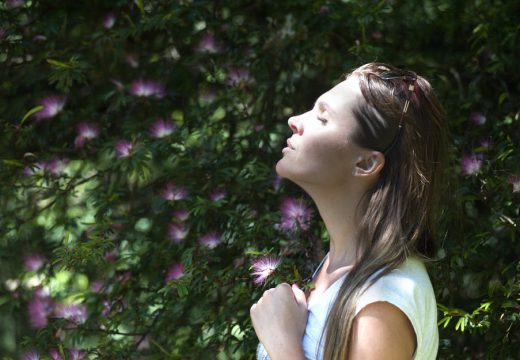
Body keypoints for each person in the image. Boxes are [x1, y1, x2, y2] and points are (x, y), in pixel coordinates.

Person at [250, 62, 449, 359]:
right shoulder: (337, 270)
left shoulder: (382, 301)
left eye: (322, 117)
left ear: (365, 164)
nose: (294, 120)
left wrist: (281, 343)